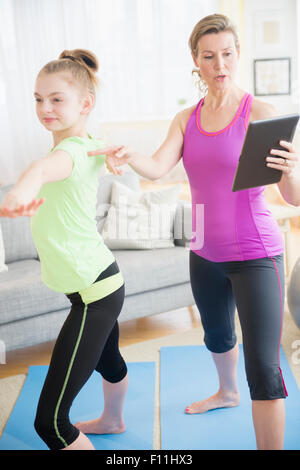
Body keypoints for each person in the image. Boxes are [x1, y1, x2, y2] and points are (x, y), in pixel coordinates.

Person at [89, 14, 300, 450]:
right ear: (195, 61)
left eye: (227, 53)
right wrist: (128, 155)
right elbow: (157, 166)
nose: (219, 63)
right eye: (209, 56)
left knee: (263, 366)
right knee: (217, 335)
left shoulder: (260, 114)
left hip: (257, 253)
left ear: (237, 55)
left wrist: (293, 170)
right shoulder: (187, 118)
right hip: (203, 248)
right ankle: (226, 392)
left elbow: (293, 197)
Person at [0, 49, 129, 450]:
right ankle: (113, 420)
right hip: (102, 282)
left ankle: (110, 418)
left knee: (51, 424)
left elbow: (38, 171)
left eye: (57, 99)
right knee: (109, 360)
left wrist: (17, 196)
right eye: (38, 99)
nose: (45, 108)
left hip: (94, 293)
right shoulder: (88, 144)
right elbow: (90, 149)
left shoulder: (69, 153)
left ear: (85, 104)